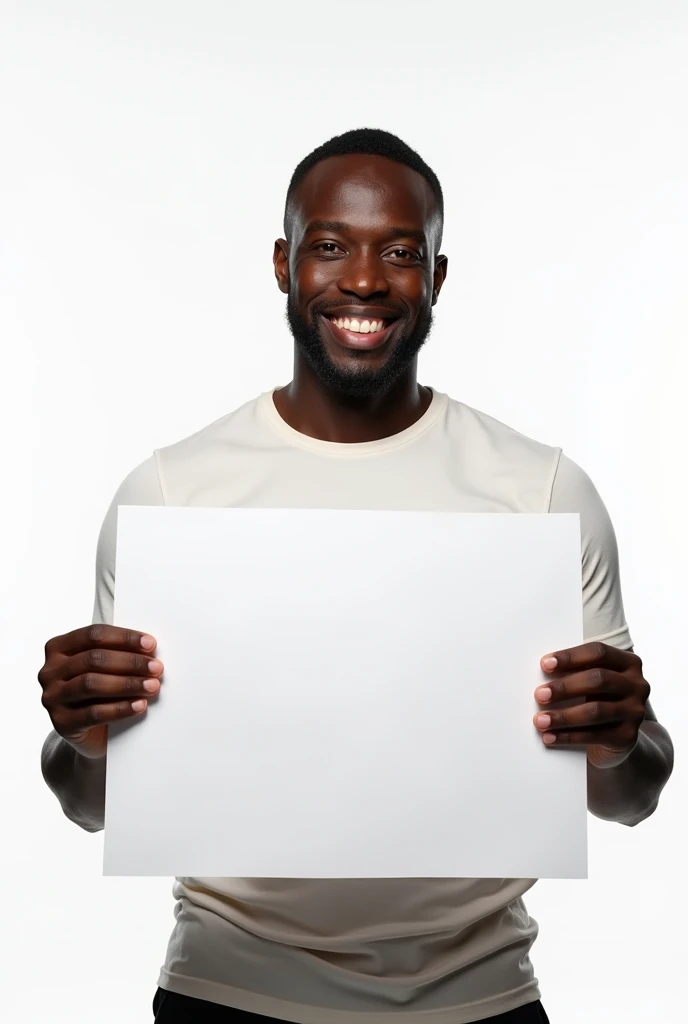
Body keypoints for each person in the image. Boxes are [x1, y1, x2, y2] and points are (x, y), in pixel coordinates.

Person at [39, 128, 674, 1024]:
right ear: (282, 264)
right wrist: (83, 734)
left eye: (402, 252)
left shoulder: (542, 492)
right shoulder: (173, 492)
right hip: (227, 993)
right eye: (330, 246)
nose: (367, 281)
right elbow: (89, 803)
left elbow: (634, 794)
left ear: (438, 278)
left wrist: (615, 737)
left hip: (482, 1002)